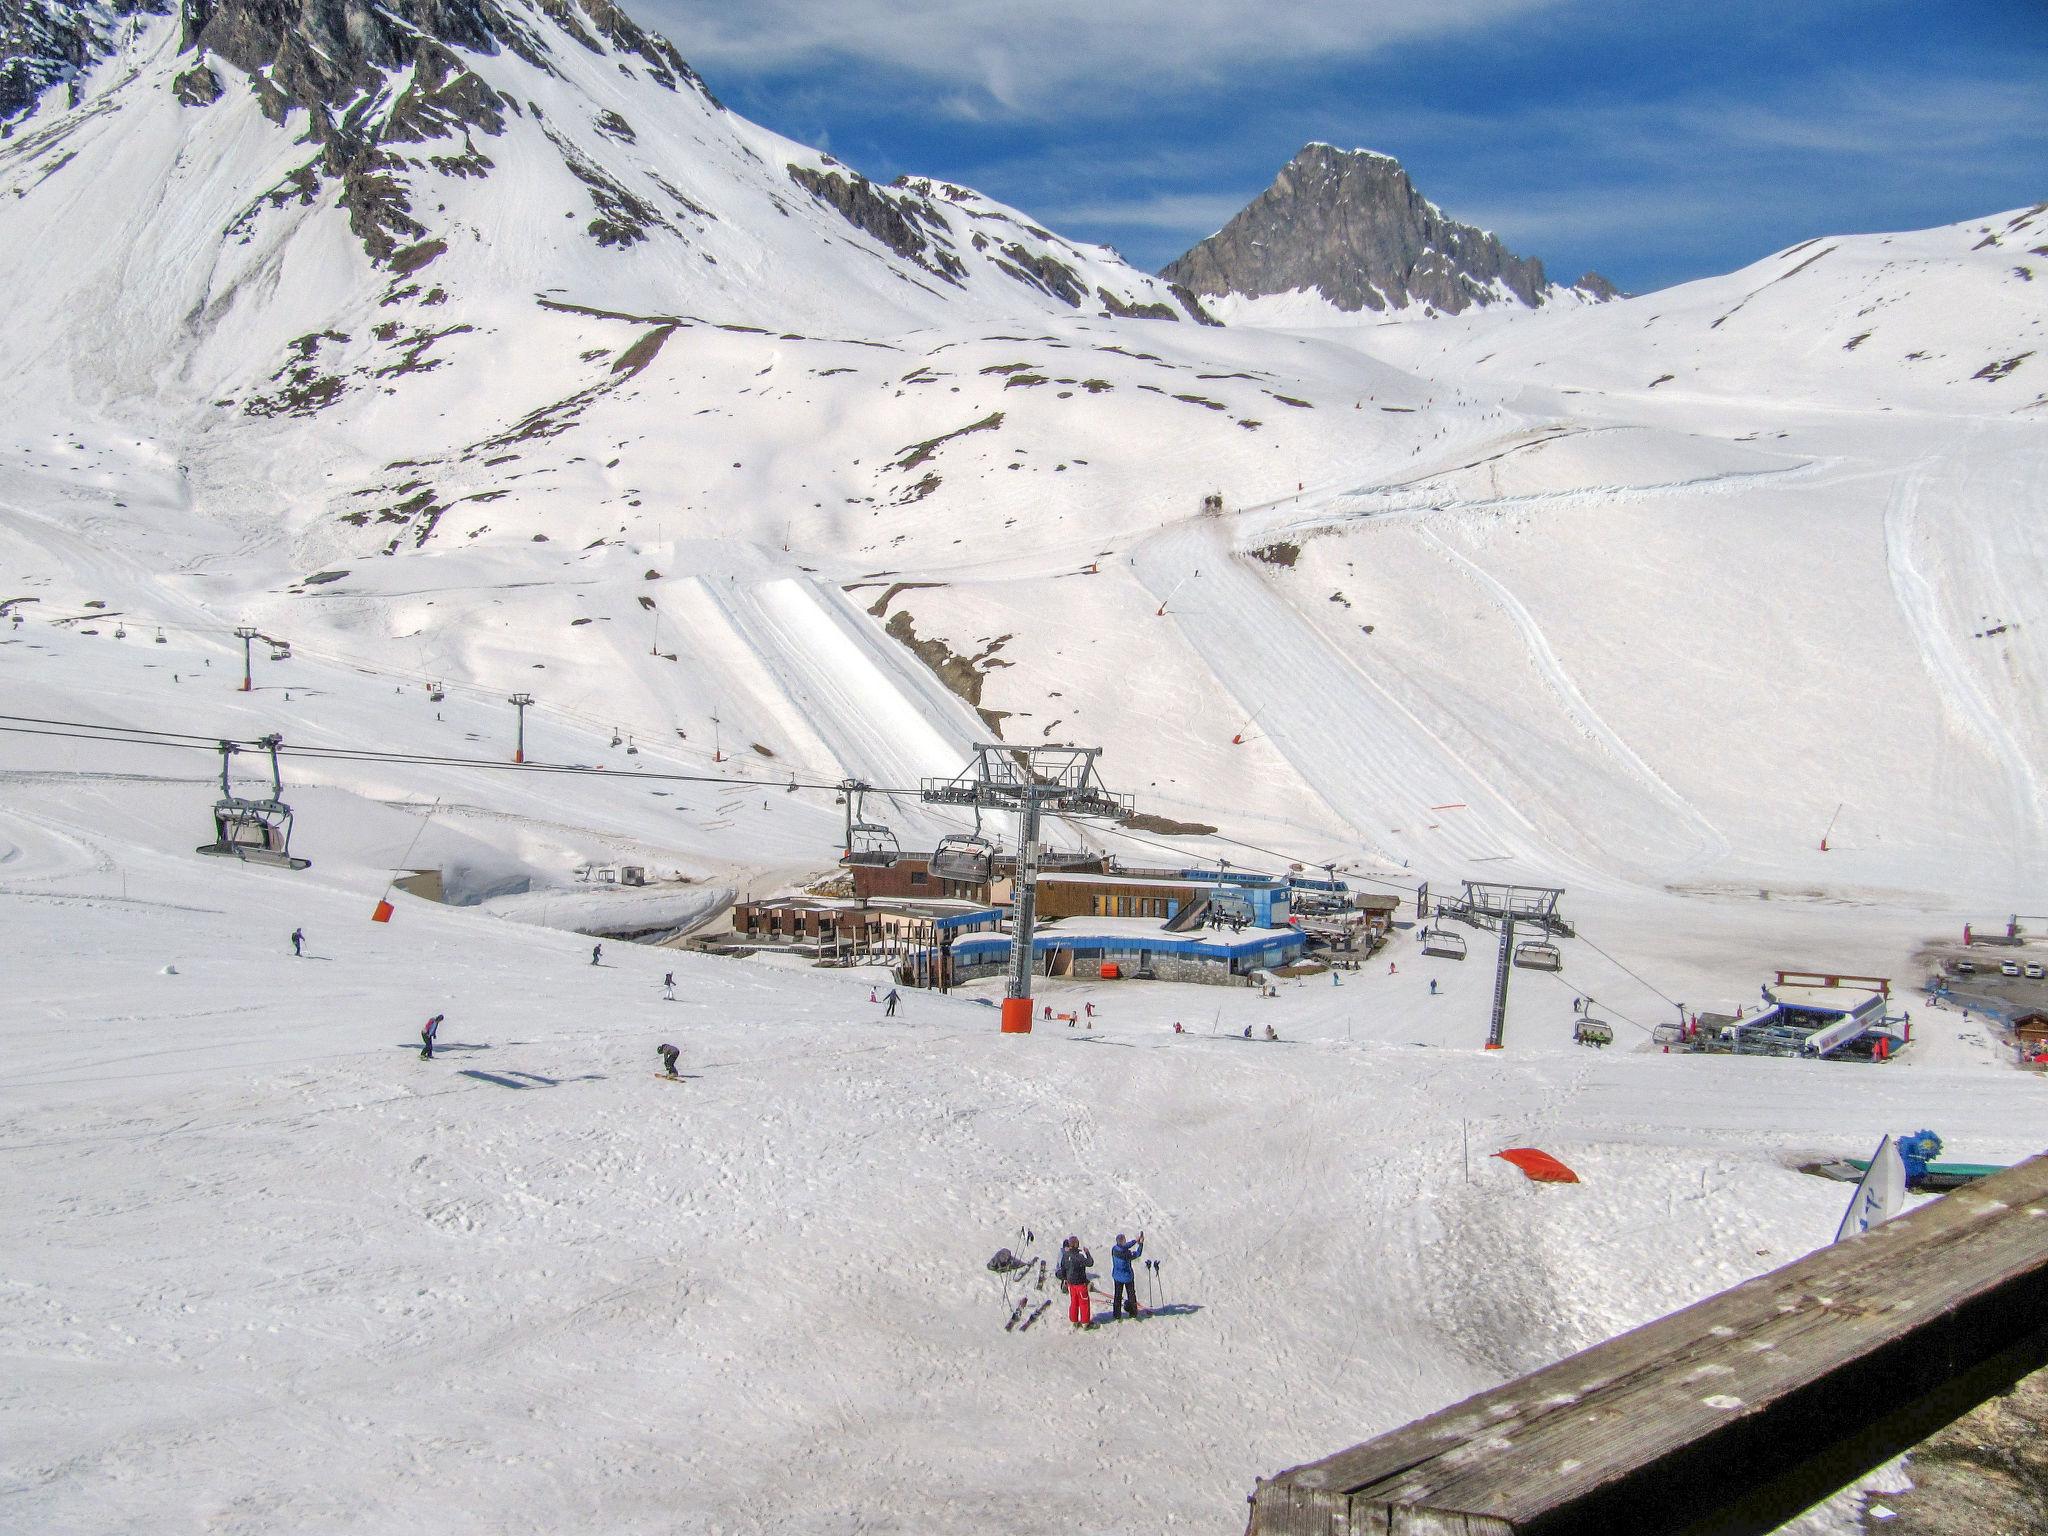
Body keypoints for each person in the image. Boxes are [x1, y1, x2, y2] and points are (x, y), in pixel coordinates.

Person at [1057, 1236, 1094, 1328]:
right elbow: (1090, 1263)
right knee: (1084, 1303)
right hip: (1080, 1284)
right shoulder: (1079, 1257)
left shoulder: (1065, 1255)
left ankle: (1074, 1320)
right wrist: (1087, 1253)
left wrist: (1065, 1279)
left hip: (1071, 1284)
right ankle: (1085, 1322)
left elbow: (1063, 1269)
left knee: (1074, 1302)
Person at [1110, 1231, 1145, 1320]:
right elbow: (1138, 1254)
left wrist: (1135, 1241)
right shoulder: (1126, 1254)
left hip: (1117, 1276)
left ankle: (1116, 1314)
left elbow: (1125, 1246)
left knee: (1117, 1295)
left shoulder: (1114, 1249)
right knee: (1131, 1295)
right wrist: (1140, 1244)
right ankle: (1133, 1313)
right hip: (1127, 1277)